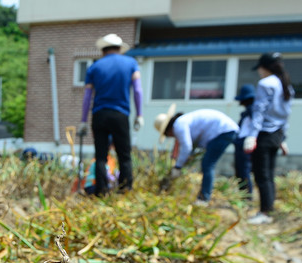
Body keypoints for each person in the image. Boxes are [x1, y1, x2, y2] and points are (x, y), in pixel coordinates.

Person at [78, 33, 143, 196]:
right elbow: (137, 90)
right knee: (124, 155)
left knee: (100, 155)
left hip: (99, 114)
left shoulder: (94, 67)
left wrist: (83, 120)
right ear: (120, 49)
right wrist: (139, 114)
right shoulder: (131, 63)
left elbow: (87, 96)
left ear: (103, 50)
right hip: (120, 114)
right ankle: (125, 190)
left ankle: (101, 191)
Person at [243, 52, 293, 224]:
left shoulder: (266, 83)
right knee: (269, 174)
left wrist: (252, 136)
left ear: (265, 67)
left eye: (260, 69)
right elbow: (286, 115)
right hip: (277, 134)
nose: (259, 72)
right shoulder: (285, 84)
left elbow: (259, 111)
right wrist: (283, 138)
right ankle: (269, 210)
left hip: (264, 134)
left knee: (261, 174)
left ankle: (264, 213)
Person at [154, 105, 239, 205]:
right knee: (208, 163)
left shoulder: (179, 125)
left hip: (224, 131)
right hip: (225, 130)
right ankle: (204, 197)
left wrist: (178, 167)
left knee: (207, 164)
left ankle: (204, 199)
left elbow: (187, 147)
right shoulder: (182, 122)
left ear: (168, 130)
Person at [233, 84, 255, 198]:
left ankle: (247, 197)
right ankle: (244, 196)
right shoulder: (247, 113)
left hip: (245, 144)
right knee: (241, 171)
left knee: (244, 171)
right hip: (241, 143)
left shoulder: (253, 111)